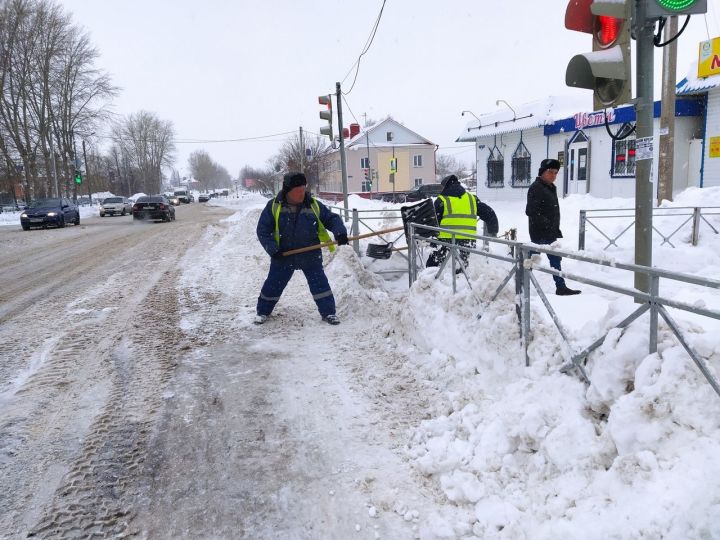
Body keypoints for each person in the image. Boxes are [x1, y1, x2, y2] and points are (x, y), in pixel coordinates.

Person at [255, 172, 349, 325]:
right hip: (283, 254)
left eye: (303, 189)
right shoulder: (274, 206)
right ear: (287, 191)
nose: (301, 193)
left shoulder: (313, 205)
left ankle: (329, 313)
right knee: (273, 284)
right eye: (297, 191)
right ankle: (262, 312)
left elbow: (331, 219)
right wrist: (273, 249)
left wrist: (340, 232)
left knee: (320, 284)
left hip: (310, 252)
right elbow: (263, 230)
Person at [525, 158, 581, 296]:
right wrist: (546, 224)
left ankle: (560, 287)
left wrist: (552, 227)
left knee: (553, 259)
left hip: (550, 232)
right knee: (533, 259)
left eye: (556, 173)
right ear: (543, 172)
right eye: (550, 172)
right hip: (540, 232)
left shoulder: (549, 187)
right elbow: (531, 211)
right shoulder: (536, 187)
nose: (553, 175)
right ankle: (520, 281)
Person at [426, 174, 499, 269]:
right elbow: (489, 213)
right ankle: (459, 280)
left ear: (445, 187)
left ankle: (432, 283)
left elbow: (433, 222)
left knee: (433, 268)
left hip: (445, 241)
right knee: (462, 267)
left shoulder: (442, 200)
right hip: (467, 241)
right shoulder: (472, 199)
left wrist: (430, 239)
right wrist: (493, 230)